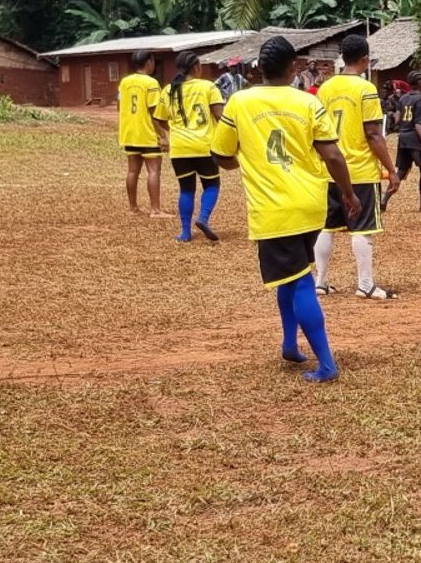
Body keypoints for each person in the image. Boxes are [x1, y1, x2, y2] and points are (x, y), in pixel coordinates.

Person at [212, 37, 360, 382]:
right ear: (294, 67)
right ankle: (289, 345)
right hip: (311, 203)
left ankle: (326, 364)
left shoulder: (239, 102)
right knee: (290, 278)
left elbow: (221, 155)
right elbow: (333, 155)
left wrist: (245, 161)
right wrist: (349, 194)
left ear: (258, 68)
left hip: (274, 208)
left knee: (300, 281)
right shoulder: (308, 102)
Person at [313, 35, 401, 299]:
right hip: (359, 170)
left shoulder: (325, 88)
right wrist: (391, 169)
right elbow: (374, 134)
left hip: (329, 168)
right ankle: (365, 284)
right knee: (363, 227)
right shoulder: (365, 89)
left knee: (327, 226)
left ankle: (320, 281)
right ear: (365, 59)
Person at [151, 50, 224, 243]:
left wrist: (171, 133)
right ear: (196, 67)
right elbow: (220, 116)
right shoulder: (208, 87)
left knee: (186, 189)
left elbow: (158, 118)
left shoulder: (169, 90)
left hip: (180, 148)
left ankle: (185, 232)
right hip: (204, 146)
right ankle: (203, 218)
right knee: (211, 184)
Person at [118, 49, 168, 217]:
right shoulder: (151, 83)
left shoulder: (124, 82)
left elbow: (120, 105)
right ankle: (155, 209)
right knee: (154, 171)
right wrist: (162, 134)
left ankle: (133, 208)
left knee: (133, 171)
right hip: (146, 132)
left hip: (129, 132)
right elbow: (154, 111)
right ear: (149, 62)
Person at [383, 73, 421, 212]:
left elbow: (398, 119)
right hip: (416, 139)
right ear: (419, 82)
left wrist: (392, 114)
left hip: (403, 138)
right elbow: (418, 124)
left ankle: (384, 200)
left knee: (401, 171)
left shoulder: (404, 98)